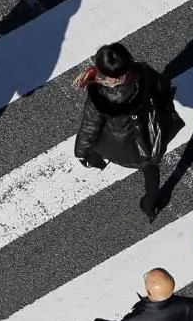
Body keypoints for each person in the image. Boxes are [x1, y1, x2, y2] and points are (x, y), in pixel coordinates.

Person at [73, 43, 179, 223]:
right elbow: (162, 85)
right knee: (151, 172)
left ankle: (97, 160)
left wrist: (81, 152)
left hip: (117, 145)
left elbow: (90, 127)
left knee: (96, 147)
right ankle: (149, 205)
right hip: (145, 139)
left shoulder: (99, 96)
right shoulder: (142, 73)